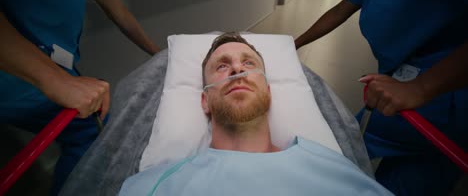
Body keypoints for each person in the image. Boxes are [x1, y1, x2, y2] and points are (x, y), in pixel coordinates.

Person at [295, 0, 468, 195]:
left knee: (348, 156)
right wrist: (294, 43)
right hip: (398, 81)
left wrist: (421, 88)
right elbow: (344, 7)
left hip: (443, 98)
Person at [118, 32, 392, 196]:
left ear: (269, 92)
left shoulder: (333, 170)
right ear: (205, 101)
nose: (238, 69)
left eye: (249, 63)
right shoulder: (156, 186)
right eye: (222, 66)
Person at [0, 0, 160, 194]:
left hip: (56, 65)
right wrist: (56, 80)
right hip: (16, 67)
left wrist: (158, 52)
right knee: (88, 129)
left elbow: (117, 11)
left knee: (92, 123)